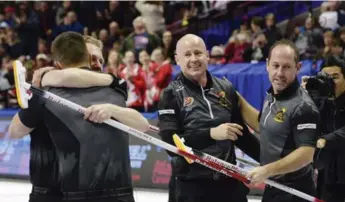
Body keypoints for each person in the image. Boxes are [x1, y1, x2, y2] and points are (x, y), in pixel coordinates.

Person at [8, 31, 149, 202]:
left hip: (94, 190)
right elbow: (14, 131)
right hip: (49, 189)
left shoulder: (115, 88)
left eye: (100, 60)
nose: (96, 64)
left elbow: (142, 125)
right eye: (91, 59)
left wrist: (113, 107)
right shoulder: (46, 93)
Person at [158, 34, 260, 202]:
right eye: (187, 54)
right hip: (191, 186)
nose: (193, 59)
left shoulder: (226, 88)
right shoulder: (170, 94)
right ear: (177, 59)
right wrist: (211, 133)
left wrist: (272, 163)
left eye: (198, 53)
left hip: (228, 182)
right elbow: (171, 144)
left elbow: (241, 136)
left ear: (207, 55)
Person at [246, 40, 321, 202]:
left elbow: (306, 154)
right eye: (275, 65)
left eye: (286, 67)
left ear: (298, 67)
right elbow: (264, 126)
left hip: (294, 192)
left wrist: (266, 170)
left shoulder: (303, 106)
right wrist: (234, 97)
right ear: (267, 65)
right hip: (273, 187)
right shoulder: (272, 95)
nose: (279, 73)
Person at [304, 55, 345, 202]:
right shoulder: (321, 102)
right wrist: (304, 96)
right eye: (326, 77)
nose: (330, 82)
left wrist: (325, 140)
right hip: (326, 176)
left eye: (335, 77)